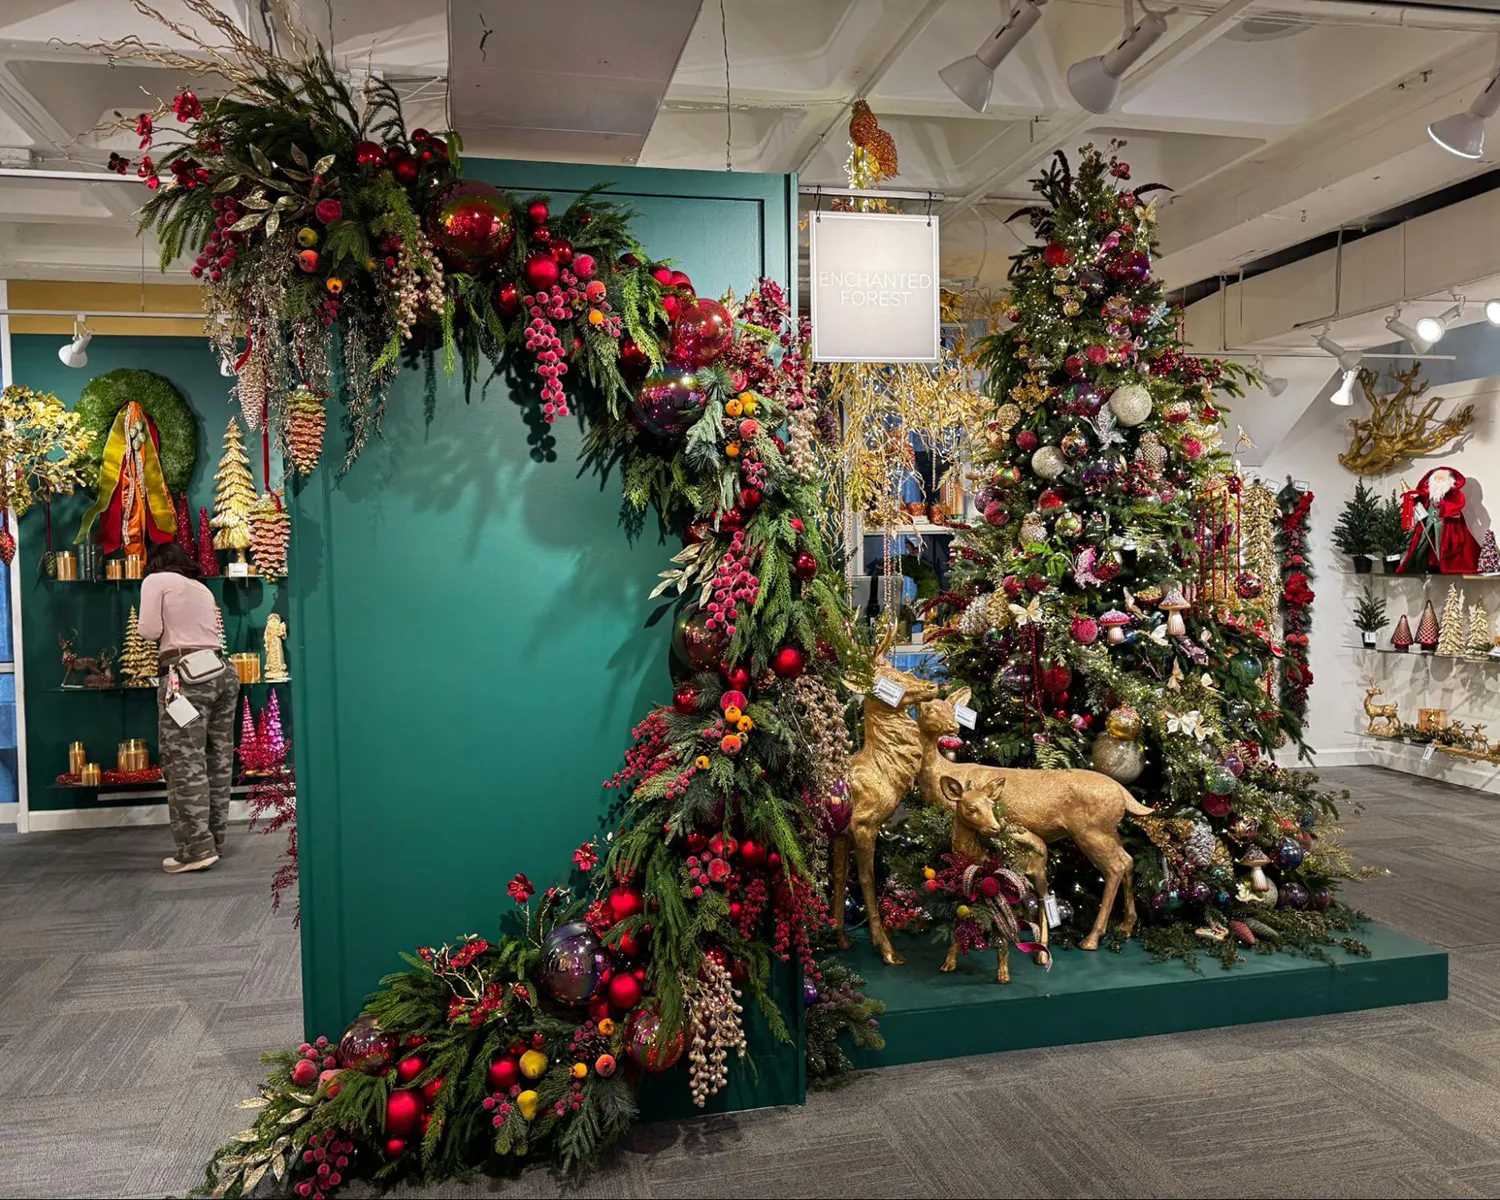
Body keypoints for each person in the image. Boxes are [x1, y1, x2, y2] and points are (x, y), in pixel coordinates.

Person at [138, 542, 239, 873]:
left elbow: (149, 631)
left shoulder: (155, 580)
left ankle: (195, 850)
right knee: (218, 761)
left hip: (185, 677)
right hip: (222, 672)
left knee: (184, 761)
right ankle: (214, 842)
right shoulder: (200, 588)